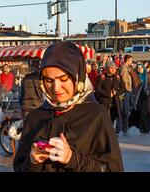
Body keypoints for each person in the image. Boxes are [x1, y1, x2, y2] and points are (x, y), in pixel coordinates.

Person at [13, 41, 124, 172]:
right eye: (49, 80)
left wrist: (72, 159)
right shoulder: (35, 118)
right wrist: (33, 162)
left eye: (63, 79)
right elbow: (19, 168)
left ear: (78, 78)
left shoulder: (96, 116)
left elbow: (112, 169)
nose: (56, 87)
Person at [95, 60, 126, 136]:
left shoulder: (118, 77)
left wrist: (117, 93)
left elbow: (123, 88)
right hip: (104, 101)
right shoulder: (102, 77)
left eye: (114, 68)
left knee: (113, 118)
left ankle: (111, 132)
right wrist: (108, 94)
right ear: (107, 68)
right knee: (105, 118)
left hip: (115, 101)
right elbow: (98, 89)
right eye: (111, 68)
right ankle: (105, 133)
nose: (113, 69)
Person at [119, 55, 134, 135]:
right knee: (125, 109)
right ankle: (124, 127)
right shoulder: (124, 68)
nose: (131, 62)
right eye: (131, 60)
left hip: (127, 90)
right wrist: (127, 88)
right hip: (125, 91)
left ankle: (125, 127)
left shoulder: (127, 68)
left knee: (127, 108)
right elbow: (124, 80)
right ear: (128, 60)